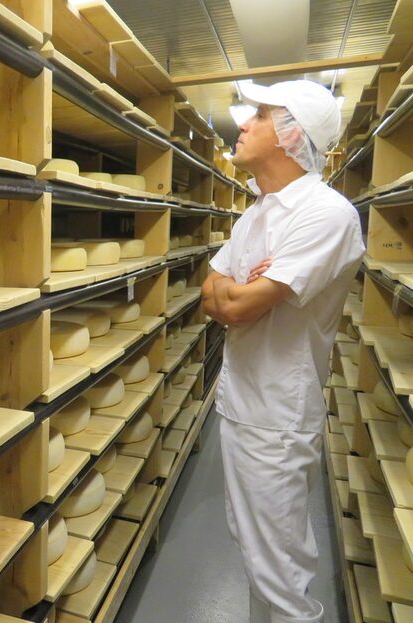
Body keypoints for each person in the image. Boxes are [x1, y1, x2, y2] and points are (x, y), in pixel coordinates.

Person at [202, 79, 365, 623]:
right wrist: (239, 291)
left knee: (280, 573)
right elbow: (211, 295)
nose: (242, 124)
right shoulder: (257, 213)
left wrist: (239, 292)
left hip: (275, 417)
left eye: (262, 115)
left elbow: (239, 306)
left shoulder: (325, 213)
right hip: (241, 404)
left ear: (293, 135)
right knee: (257, 555)